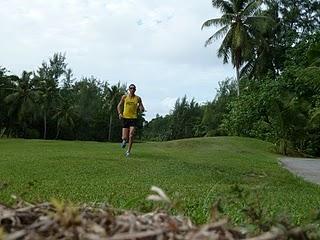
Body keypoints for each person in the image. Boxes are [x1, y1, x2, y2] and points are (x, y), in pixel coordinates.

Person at [117, 84, 145, 157]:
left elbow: (142, 107)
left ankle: (128, 151)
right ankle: (124, 141)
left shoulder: (138, 98)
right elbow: (119, 105)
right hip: (125, 118)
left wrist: (141, 108)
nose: (132, 89)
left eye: (133, 88)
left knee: (131, 135)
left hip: (133, 118)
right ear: (128, 89)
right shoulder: (124, 97)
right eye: (131, 88)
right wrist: (120, 113)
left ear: (135, 90)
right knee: (124, 137)